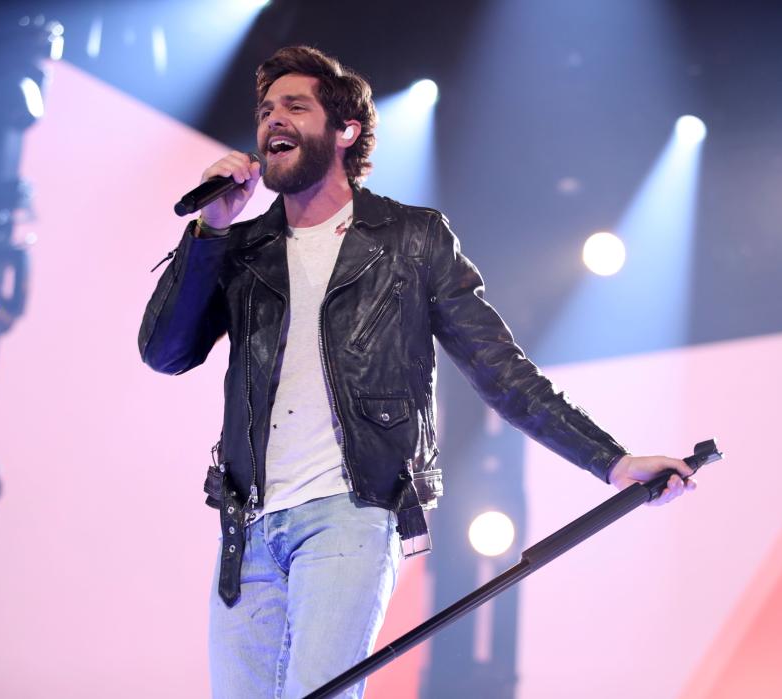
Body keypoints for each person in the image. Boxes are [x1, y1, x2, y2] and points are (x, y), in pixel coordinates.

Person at [139, 45, 695, 699]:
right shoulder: (244, 247)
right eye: (265, 110)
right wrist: (209, 233)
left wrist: (612, 459)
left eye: (295, 105)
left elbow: (501, 370)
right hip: (248, 526)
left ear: (345, 130)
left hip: (349, 511)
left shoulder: (411, 239)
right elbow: (165, 350)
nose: (272, 121)